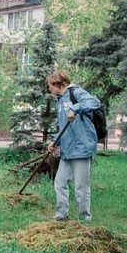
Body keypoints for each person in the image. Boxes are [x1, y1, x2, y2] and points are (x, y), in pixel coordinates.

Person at [46, 70, 101, 223]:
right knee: (60, 183)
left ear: (58, 83)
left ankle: (84, 220)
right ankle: (61, 215)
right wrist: (54, 141)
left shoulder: (76, 92)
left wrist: (75, 108)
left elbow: (95, 103)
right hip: (68, 150)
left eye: (50, 85)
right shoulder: (60, 100)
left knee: (81, 188)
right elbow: (63, 127)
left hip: (82, 149)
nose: (49, 89)